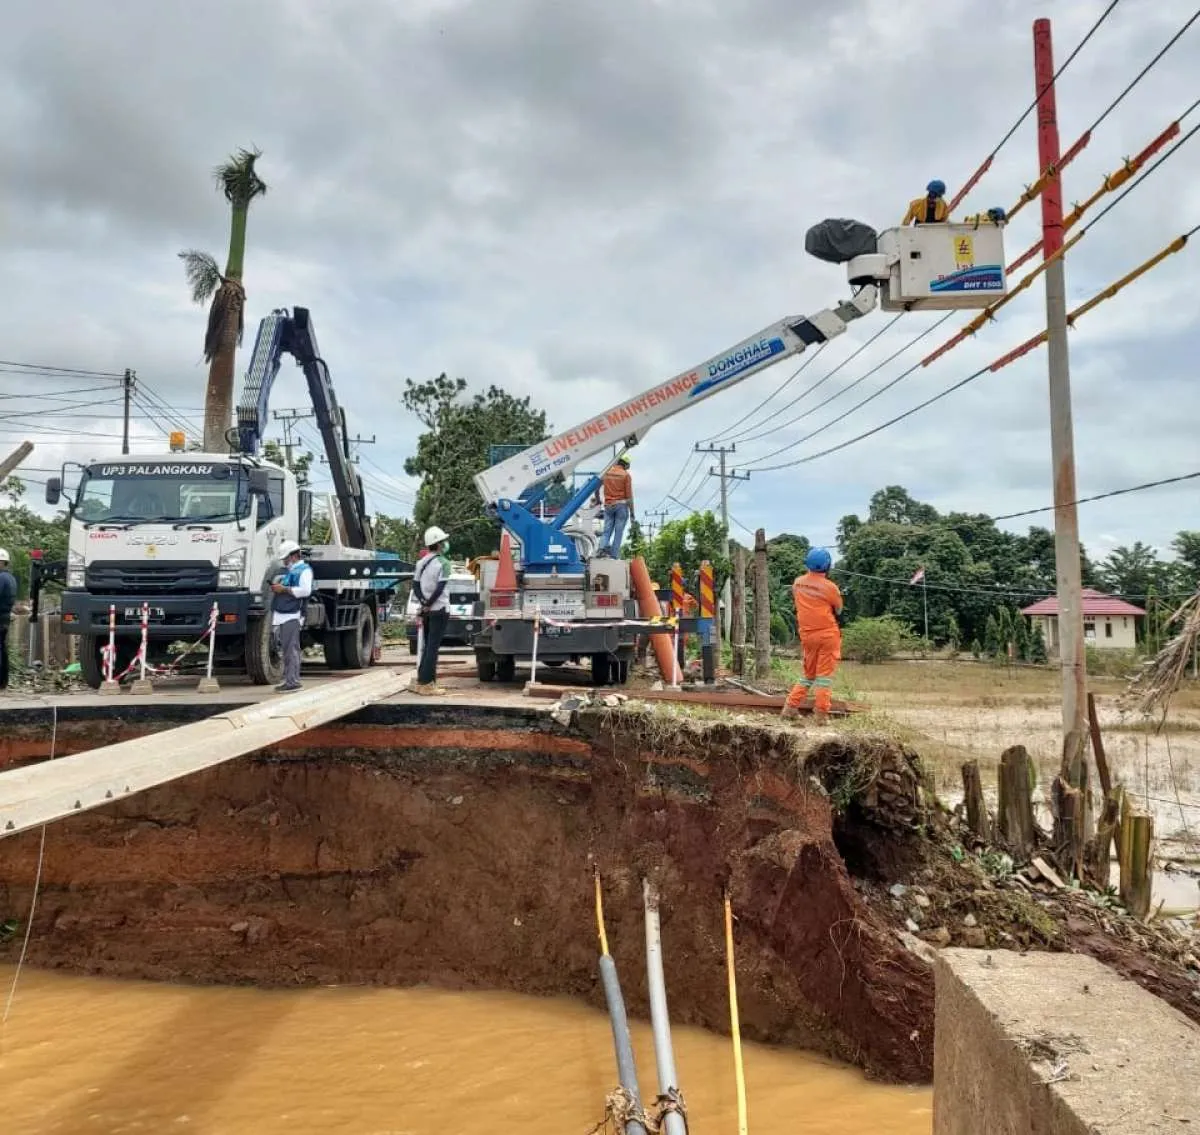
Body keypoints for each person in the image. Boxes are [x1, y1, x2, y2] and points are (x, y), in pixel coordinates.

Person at [782, 547, 844, 725]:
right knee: (824, 677)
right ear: (827, 566)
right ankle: (821, 715)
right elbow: (838, 609)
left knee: (808, 675)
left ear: (807, 564)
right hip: (827, 634)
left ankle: (790, 708)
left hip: (807, 635)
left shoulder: (798, 583)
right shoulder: (830, 587)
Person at [412, 525, 452, 696]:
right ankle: (427, 683)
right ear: (439, 544)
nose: (445, 545)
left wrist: (424, 602)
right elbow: (440, 588)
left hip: (427, 610)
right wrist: (430, 603)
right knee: (433, 648)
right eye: (443, 542)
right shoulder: (444, 563)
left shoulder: (421, 562)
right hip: (440, 609)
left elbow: (415, 585)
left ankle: (424, 679)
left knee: (428, 646)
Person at [270, 539, 312, 693]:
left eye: (286, 558)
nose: (285, 561)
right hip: (284, 614)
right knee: (286, 649)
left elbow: (305, 591)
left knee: (291, 649)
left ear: (293, 556)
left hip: (292, 615)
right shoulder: (292, 570)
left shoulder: (304, 570)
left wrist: (284, 589)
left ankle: (293, 682)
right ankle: (290, 680)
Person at [599, 455, 633, 558]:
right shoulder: (626, 475)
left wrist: (598, 500)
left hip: (608, 506)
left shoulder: (607, 473)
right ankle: (614, 555)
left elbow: (597, 487)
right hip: (621, 506)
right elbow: (629, 497)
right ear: (626, 465)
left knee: (606, 530)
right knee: (618, 532)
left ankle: (601, 549)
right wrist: (632, 513)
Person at [0, 548, 15, 692]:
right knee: (2, 649)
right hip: (5, 617)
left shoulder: (1, 578)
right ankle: (3, 682)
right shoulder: (10, 578)